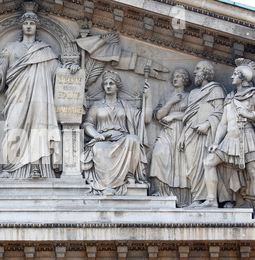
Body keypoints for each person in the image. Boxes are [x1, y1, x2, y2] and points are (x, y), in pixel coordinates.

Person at [0, 10, 79, 179]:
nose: (29, 26)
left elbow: (59, 73)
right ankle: (10, 168)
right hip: (17, 96)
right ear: (21, 26)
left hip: (41, 98)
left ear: (36, 27)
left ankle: (39, 168)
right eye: (26, 23)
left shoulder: (46, 50)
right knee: (12, 126)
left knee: (40, 128)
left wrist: (72, 70)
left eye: (32, 23)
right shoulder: (11, 48)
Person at [81, 70, 152, 196]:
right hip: (103, 140)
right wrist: (97, 135)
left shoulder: (126, 105)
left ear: (117, 86)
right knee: (98, 149)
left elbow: (145, 119)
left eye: (111, 83)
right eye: (106, 84)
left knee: (133, 140)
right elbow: (87, 124)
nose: (108, 86)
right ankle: (107, 185)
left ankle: (129, 175)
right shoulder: (97, 106)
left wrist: (148, 97)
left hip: (122, 140)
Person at [200, 60, 255, 208]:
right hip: (229, 140)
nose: (232, 77)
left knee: (253, 172)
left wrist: (248, 113)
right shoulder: (230, 97)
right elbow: (223, 123)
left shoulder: (252, 95)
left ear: (243, 79)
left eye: (236, 74)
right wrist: (216, 142)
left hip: (247, 139)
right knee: (209, 162)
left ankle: (250, 202)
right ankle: (212, 200)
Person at [178, 61, 225, 207]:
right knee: (192, 167)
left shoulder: (216, 89)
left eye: (197, 69)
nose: (194, 72)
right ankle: (197, 198)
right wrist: (182, 135)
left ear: (206, 72)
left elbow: (220, 112)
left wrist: (207, 124)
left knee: (204, 164)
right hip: (190, 133)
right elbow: (188, 117)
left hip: (206, 133)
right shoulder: (193, 93)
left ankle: (209, 199)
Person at [150, 68, 191, 207]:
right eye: (174, 76)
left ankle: (183, 198)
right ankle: (160, 191)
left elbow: (193, 115)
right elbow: (158, 116)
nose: (175, 78)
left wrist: (174, 116)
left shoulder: (191, 96)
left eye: (179, 75)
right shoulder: (167, 96)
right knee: (158, 154)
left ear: (185, 80)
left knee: (182, 163)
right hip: (166, 132)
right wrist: (170, 103)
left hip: (183, 132)